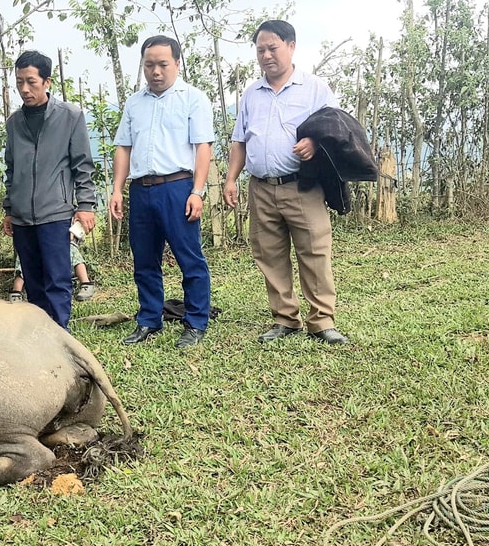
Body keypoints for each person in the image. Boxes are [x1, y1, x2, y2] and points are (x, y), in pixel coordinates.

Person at [223, 20, 348, 345]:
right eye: (260, 49)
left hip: (302, 186)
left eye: (272, 48)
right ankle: (285, 319)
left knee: (314, 251)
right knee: (269, 255)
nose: (266, 55)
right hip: (261, 188)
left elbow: (336, 130)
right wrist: (231, 179)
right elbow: (240, 140)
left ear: (291, 46)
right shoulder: (251, 94)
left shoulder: (315, 88)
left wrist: (315, 144)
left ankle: (322, 321)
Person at [109, 35, 214, 349]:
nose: (155, 71)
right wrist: (117, 189)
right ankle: (149, 319)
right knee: (144, 260)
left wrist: (198, 192)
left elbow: (203, 148)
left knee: (189, 258)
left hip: (178, 189)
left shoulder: (192, 98)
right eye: (149, 64)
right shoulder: (134, 102)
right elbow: (123, 147)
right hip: (141, 191)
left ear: (177, 64)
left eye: (162, 64)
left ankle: (195, 322)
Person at [2, 50, 96, 330]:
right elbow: (11, 169)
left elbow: (83, 165)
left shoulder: (70, 116)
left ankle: (60, 333)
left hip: (55, 212)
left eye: (31, 81)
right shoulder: (14, 122)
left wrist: (86, 206)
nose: (24, 89)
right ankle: (43, 333)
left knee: (57, 278)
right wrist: (9, 209)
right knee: (32, 279)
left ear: (47, 82)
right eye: (19, 82)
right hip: (22, 216)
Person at [10, 230, 96, 302]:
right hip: (39, 252)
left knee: (72, 250)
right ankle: (16, 291)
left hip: (61, 250)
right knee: (25, 254)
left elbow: (75, 234)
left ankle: (86, 283)